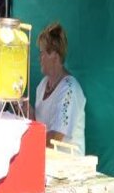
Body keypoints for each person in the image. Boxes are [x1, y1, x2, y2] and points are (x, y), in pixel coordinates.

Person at [30, 22, 85, 153]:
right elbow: (39, 125)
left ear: (54, 55)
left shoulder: (70, 89)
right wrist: (25, 109)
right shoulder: (42, 85)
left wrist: (27, 141)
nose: (39, 58)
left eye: (42, 53)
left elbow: (56, 137)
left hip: (68, 164)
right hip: (47, 160)